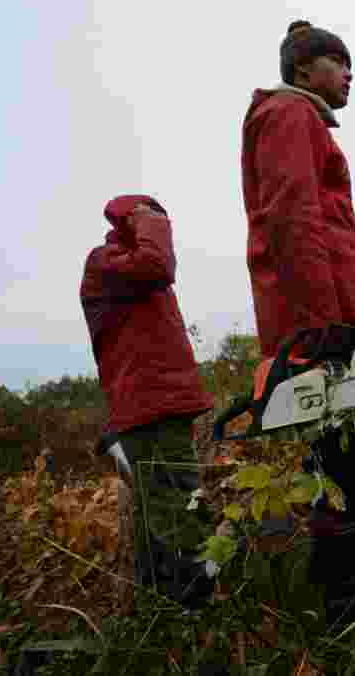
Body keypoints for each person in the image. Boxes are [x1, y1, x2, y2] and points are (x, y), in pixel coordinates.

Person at [240, 19, 355, 621]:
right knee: (342, 447)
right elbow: (291, 220)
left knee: (342, 446)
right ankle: (349, 590)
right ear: (302, 70)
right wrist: (321, 321)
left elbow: (318, 227)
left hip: (322, 306)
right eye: (339, 63)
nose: (349, 75)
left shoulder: (300, 122)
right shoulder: (291, 116)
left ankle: (346, 576)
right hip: (319, 319)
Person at [81, 194, 217, 610]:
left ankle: (165, 611)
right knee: (180, 513)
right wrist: (149, 219)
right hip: (150, 410)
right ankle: (194, 614)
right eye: (152, 220)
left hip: (161, 410)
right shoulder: (107, 264)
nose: (160, 226)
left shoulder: (129, 273)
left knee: (170, 506)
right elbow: (158, 264)